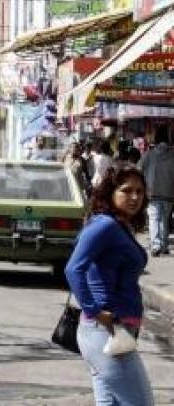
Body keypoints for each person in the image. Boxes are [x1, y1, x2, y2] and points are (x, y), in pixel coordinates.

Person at [65, 163, 153, 406]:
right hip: (106, 332)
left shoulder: (119, 225)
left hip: (115, 332)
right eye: (126, 190)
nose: (134, 197)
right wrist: (95, 311)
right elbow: (73, 268)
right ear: (110, 192)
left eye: (139, 191)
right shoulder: (104, 225)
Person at [139, 125, 174, 257]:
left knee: (154, 218)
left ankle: (156, 245)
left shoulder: (149, 154)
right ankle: (163, 245)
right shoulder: (172, 154)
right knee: (164, 218)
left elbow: (139, 168)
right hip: (169, 192)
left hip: (152, 191)